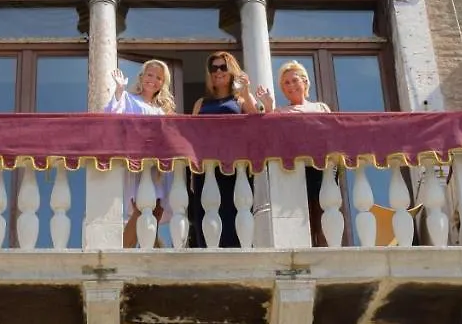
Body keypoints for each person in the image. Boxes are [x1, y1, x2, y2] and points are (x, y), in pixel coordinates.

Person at [189, 51, 265, 248]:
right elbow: (192, 136)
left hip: (234, 168)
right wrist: (191, 172)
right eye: (214, 68)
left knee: (233, 216)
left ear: (231, 71)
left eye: (223, 67)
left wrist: (246, 91)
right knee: (206, 215)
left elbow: (258, 120)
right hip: (206, 168)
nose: (218, 71)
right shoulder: (201, 103)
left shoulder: (239, 101)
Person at [256, 61, 332, 246]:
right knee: (299, 222)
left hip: (320, 168)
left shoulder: (321, 108)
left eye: (294, 80)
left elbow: (331, 137)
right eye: (285, 83)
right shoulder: (280, 112)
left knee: (324, 219)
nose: (290, 86)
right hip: (292, 172)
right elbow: (270, 137)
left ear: (305, 82)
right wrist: (268, 107)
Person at [105, 61, 175, 247]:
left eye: (158, 77)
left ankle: (151, 251)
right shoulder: (129, 98)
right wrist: (119, 90)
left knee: (156, 210)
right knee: (142, 207)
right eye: (150, 75)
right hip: (139, 163)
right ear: (142, 77)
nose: (153, 80)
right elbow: (113, 116)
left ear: (163, 83)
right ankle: (124, 251)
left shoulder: (162, 109)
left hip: (158, 166)